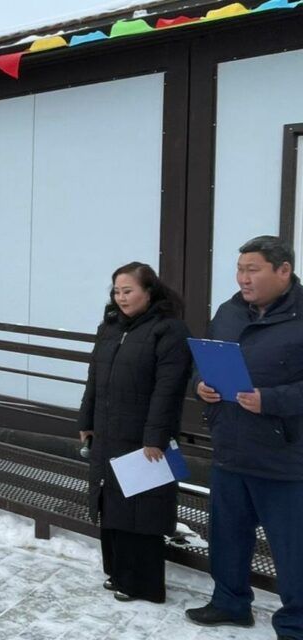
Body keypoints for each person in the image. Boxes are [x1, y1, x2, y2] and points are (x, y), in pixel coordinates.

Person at [186, 236, 303, 640]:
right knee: (228, 536)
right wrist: (201, 385)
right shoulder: (229, 311)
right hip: (231, 446)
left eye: (252, 270)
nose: (243, 278)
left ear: (284, 270)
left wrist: (272, 400)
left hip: (284, 456)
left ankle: (296, 624)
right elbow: (204, 360)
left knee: (292, 548)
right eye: (240, 269)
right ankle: (230, 603)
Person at [78, 262, 192, 604]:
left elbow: (168, 390)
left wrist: (155, 437)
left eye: (128, 291)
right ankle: (117, 572)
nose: (121, 297)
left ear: (149, 291)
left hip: (143, 437)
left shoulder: (169, 330)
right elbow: (94, 377)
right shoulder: (111, 326)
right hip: (108, 429)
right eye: (117, 291)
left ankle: (141, 583)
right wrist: (86, 419)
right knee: (111, 504)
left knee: (142, 510)